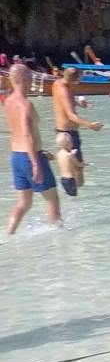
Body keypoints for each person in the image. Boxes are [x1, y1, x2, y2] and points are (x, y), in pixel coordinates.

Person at [6, 62, 60, 234]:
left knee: (24, 203)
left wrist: (40, 152)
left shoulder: (8, 101)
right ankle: (58, 238)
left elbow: (17, 133)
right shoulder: (25, 104)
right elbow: (27, 134)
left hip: (16, 157)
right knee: (52, 199)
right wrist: (36, 162)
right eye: (30, 76)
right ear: (23, 79)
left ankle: (9, 235)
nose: (32, 79)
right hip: (31, 158)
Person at [50, 67, 103, 186]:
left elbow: (65, 101)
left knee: (69, 167)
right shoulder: (64, 90)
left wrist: (80, 104)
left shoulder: (57, 83)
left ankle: (72, 191)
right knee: (78, 168)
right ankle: (78, 192)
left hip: (62, 132)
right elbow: (71, 115)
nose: (78, 82)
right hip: (69, 134)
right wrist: (90, 126)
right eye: (78, 80)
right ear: (74, 80)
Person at [54, 131, 82, 197]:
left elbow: (65, 162)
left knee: (68, 195)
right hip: (71, 180)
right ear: (68, 144)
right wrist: (87, 164)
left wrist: (71, 153)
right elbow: (78, 164)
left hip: (63, 179)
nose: (72, 144)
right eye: (71, 142)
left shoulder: (58, 154)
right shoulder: (69, 155)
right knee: (73, 197)